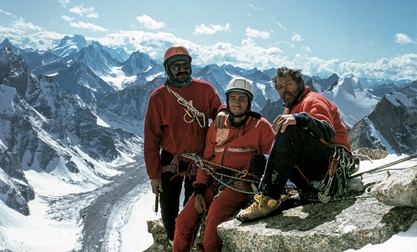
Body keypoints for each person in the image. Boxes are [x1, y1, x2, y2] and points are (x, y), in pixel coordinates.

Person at [173, 77, 275, 252]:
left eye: (242, 99)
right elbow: (207, 161)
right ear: (227, 101)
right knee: (184, 219)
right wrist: (198, 190)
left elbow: (272, 163)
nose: (237, 103)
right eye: (233, 98)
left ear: (249, 102)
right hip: (214, 180)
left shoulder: (261, 127)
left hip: (240, 182)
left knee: (216, 213)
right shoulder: (217, 126)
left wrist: (252, 185)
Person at [236, 67, 351, 222]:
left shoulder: (312, 100)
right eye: (280, 87)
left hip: (330, 168)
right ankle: (287, 192)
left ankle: (269, 198)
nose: (284, 90)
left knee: (289, 130)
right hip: (310, 172)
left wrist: (300, 119)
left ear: (300, 83)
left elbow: (328, 132)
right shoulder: (290, 109)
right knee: (259, 160)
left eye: (288, 84)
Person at [143, 45, 223, 245]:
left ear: (190, 66)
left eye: (185, 65)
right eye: (176, 66)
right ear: (168, 69)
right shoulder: (159, 97)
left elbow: (218, 108)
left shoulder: (205, 90)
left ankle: (186, 242)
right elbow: (151, 138)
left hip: (200, 158)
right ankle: (173, 241)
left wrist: (222, 112)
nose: (181, 69)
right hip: (171, 158)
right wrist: (154, 174)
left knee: (194, 206)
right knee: (168, 206)